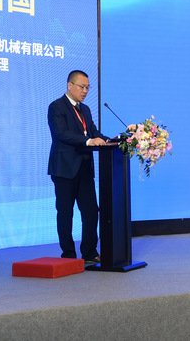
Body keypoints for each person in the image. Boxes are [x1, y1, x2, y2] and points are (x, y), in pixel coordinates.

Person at [47, 70, 109, 264]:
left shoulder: (86, 109)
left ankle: (89, 253)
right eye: (82, 87)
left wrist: (112, 141)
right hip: (64, 169)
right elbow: (62, 133)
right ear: (70, 85)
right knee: (65, 213)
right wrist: (89, 141)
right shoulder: (56, 106)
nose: (85, 91)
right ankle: (68, 255)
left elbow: (93, 132)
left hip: (84, 169)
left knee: (91, 211)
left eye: (88, 88)